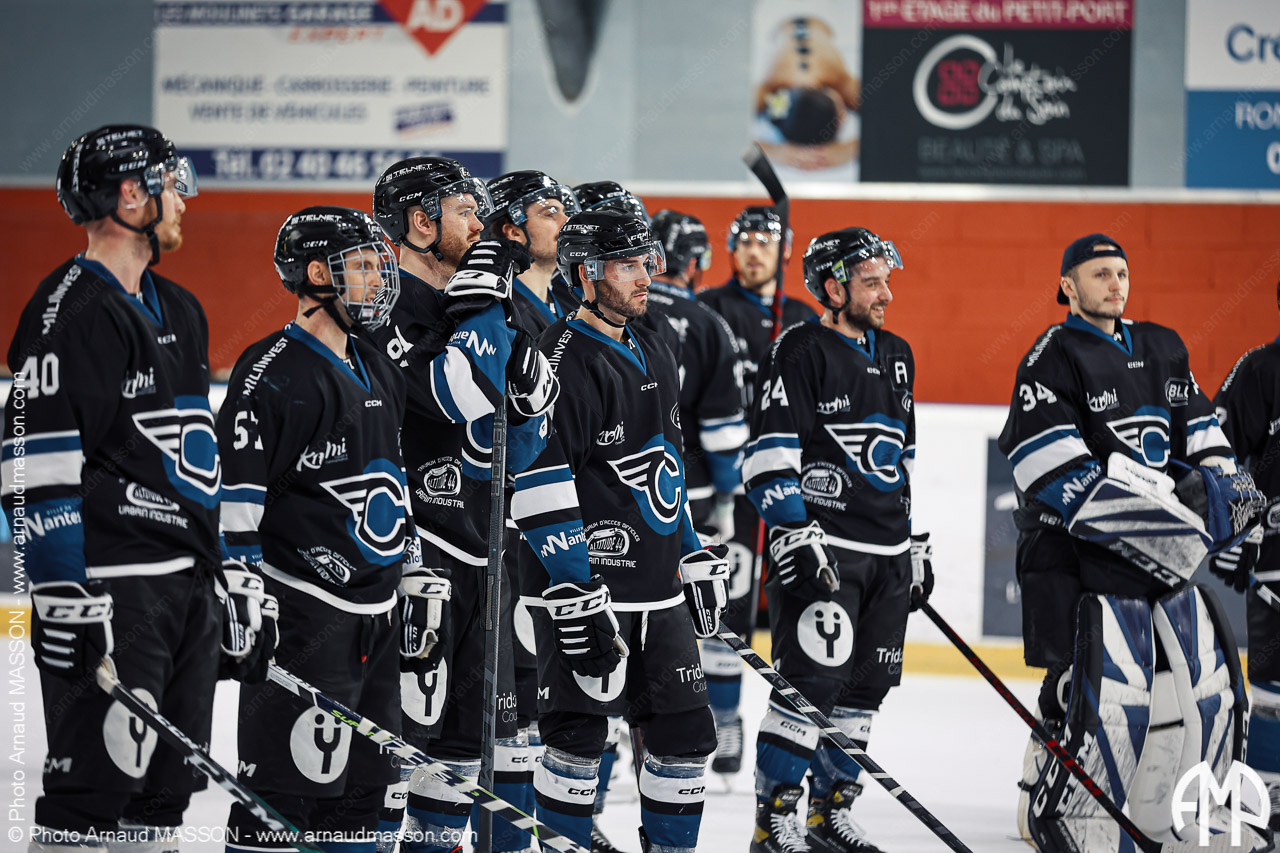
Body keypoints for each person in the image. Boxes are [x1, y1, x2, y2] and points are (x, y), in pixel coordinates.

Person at [1, 124, 245, 853]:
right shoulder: (64, 312)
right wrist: (62, 593)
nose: (184, 200)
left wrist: (226, 573)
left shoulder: (184, 309)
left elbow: (197, 464)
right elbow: (32, 464)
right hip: (113, 591)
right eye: (170, 184)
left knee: (163, 800)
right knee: (90, 797)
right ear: (131, 195)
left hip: (188, 591)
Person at [998, 234, 1266, 851]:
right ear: (1068, 286)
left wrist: (1224, 497)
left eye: (1121, 272)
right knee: (1084, 683)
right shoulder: (1050, 357)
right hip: (1068, 552)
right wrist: (1183, 517)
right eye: (1099, 274)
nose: (1115, 284)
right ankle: (1053, 800)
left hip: (1152, 554)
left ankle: (1191, 810)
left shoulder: (1162, 346)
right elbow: (1053, 472)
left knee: (1202, 687)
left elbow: (1207, 440)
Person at [510, 209, 729, 853]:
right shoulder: (557, 357)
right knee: (577, 743)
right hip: (586, 597)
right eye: (627, 265)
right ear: (586, 273)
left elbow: (667, 470)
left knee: (685, 740)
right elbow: (540, 484)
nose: (645, 277)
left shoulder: (654, 342)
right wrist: (575, 591)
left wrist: (690, 553)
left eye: (646, 262)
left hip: (658, 596)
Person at [218, 206, 430, 852]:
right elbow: (236, 500)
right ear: (317, 274)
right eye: (362, 266)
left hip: (379, 621)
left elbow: (392, 479)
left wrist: (413, 573)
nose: (378, 280)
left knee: (362, 804)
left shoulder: (379, 366)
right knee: (281, 802)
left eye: (377, 266)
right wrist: (240, 591)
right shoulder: (270, 371)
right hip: (304, 619)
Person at [368, 157, 559, 853]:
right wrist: (482, 307)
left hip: (483, 549)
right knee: (398, 743)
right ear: (421, 222)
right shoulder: (383, 309)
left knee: (457, 754)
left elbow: (533, 418)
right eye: (465, 212)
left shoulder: (482, 299)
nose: (482, 226)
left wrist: (492, 313)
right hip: (414, 559)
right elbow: (459, 393)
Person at [742, 228, 927, 853]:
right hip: (824, 551)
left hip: (886, 558)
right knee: (810, 686)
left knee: (865, 691)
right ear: (833, 288)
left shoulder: (898, 352)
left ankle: (830, 813)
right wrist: (793, 530)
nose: (886, 294)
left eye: (886, 281)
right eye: (872, 283)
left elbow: (902, 461)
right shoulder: (798, 349)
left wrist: (913, 542)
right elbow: (767, 455)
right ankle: (774, 822)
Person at [698, 205, 816, 775]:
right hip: (727, 489)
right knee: (725, 601)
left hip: (788, 485)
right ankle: (721, 717)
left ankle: (785, 727)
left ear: (783, 252)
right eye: (743, 242)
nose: (752, 252)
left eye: (764, 243)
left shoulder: (803, 318)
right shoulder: (709, 309)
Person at [482, 168, 580, 847]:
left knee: (551, 709)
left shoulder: (567, 309)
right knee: (506, 716)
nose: (565, 222)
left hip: (560, 532)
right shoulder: (497, 310)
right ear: (512, 229)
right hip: (510, 537)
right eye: (550, 211)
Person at [645, 210, 750, 776]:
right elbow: (724, 433)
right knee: (703, 612)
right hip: (694, 497)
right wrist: (729, 500)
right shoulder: (708, 324)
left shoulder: (606, 314)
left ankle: (619, 744)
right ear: (694, 263)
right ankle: (716, 721)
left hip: (620, 498)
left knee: (632, 613)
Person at [1212, 287, 1280, 825]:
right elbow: (1216, 452)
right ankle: (1265, 803)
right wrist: (1238, 529)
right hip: (1276, 564)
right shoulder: (1260, 370)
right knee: (1274, 691)